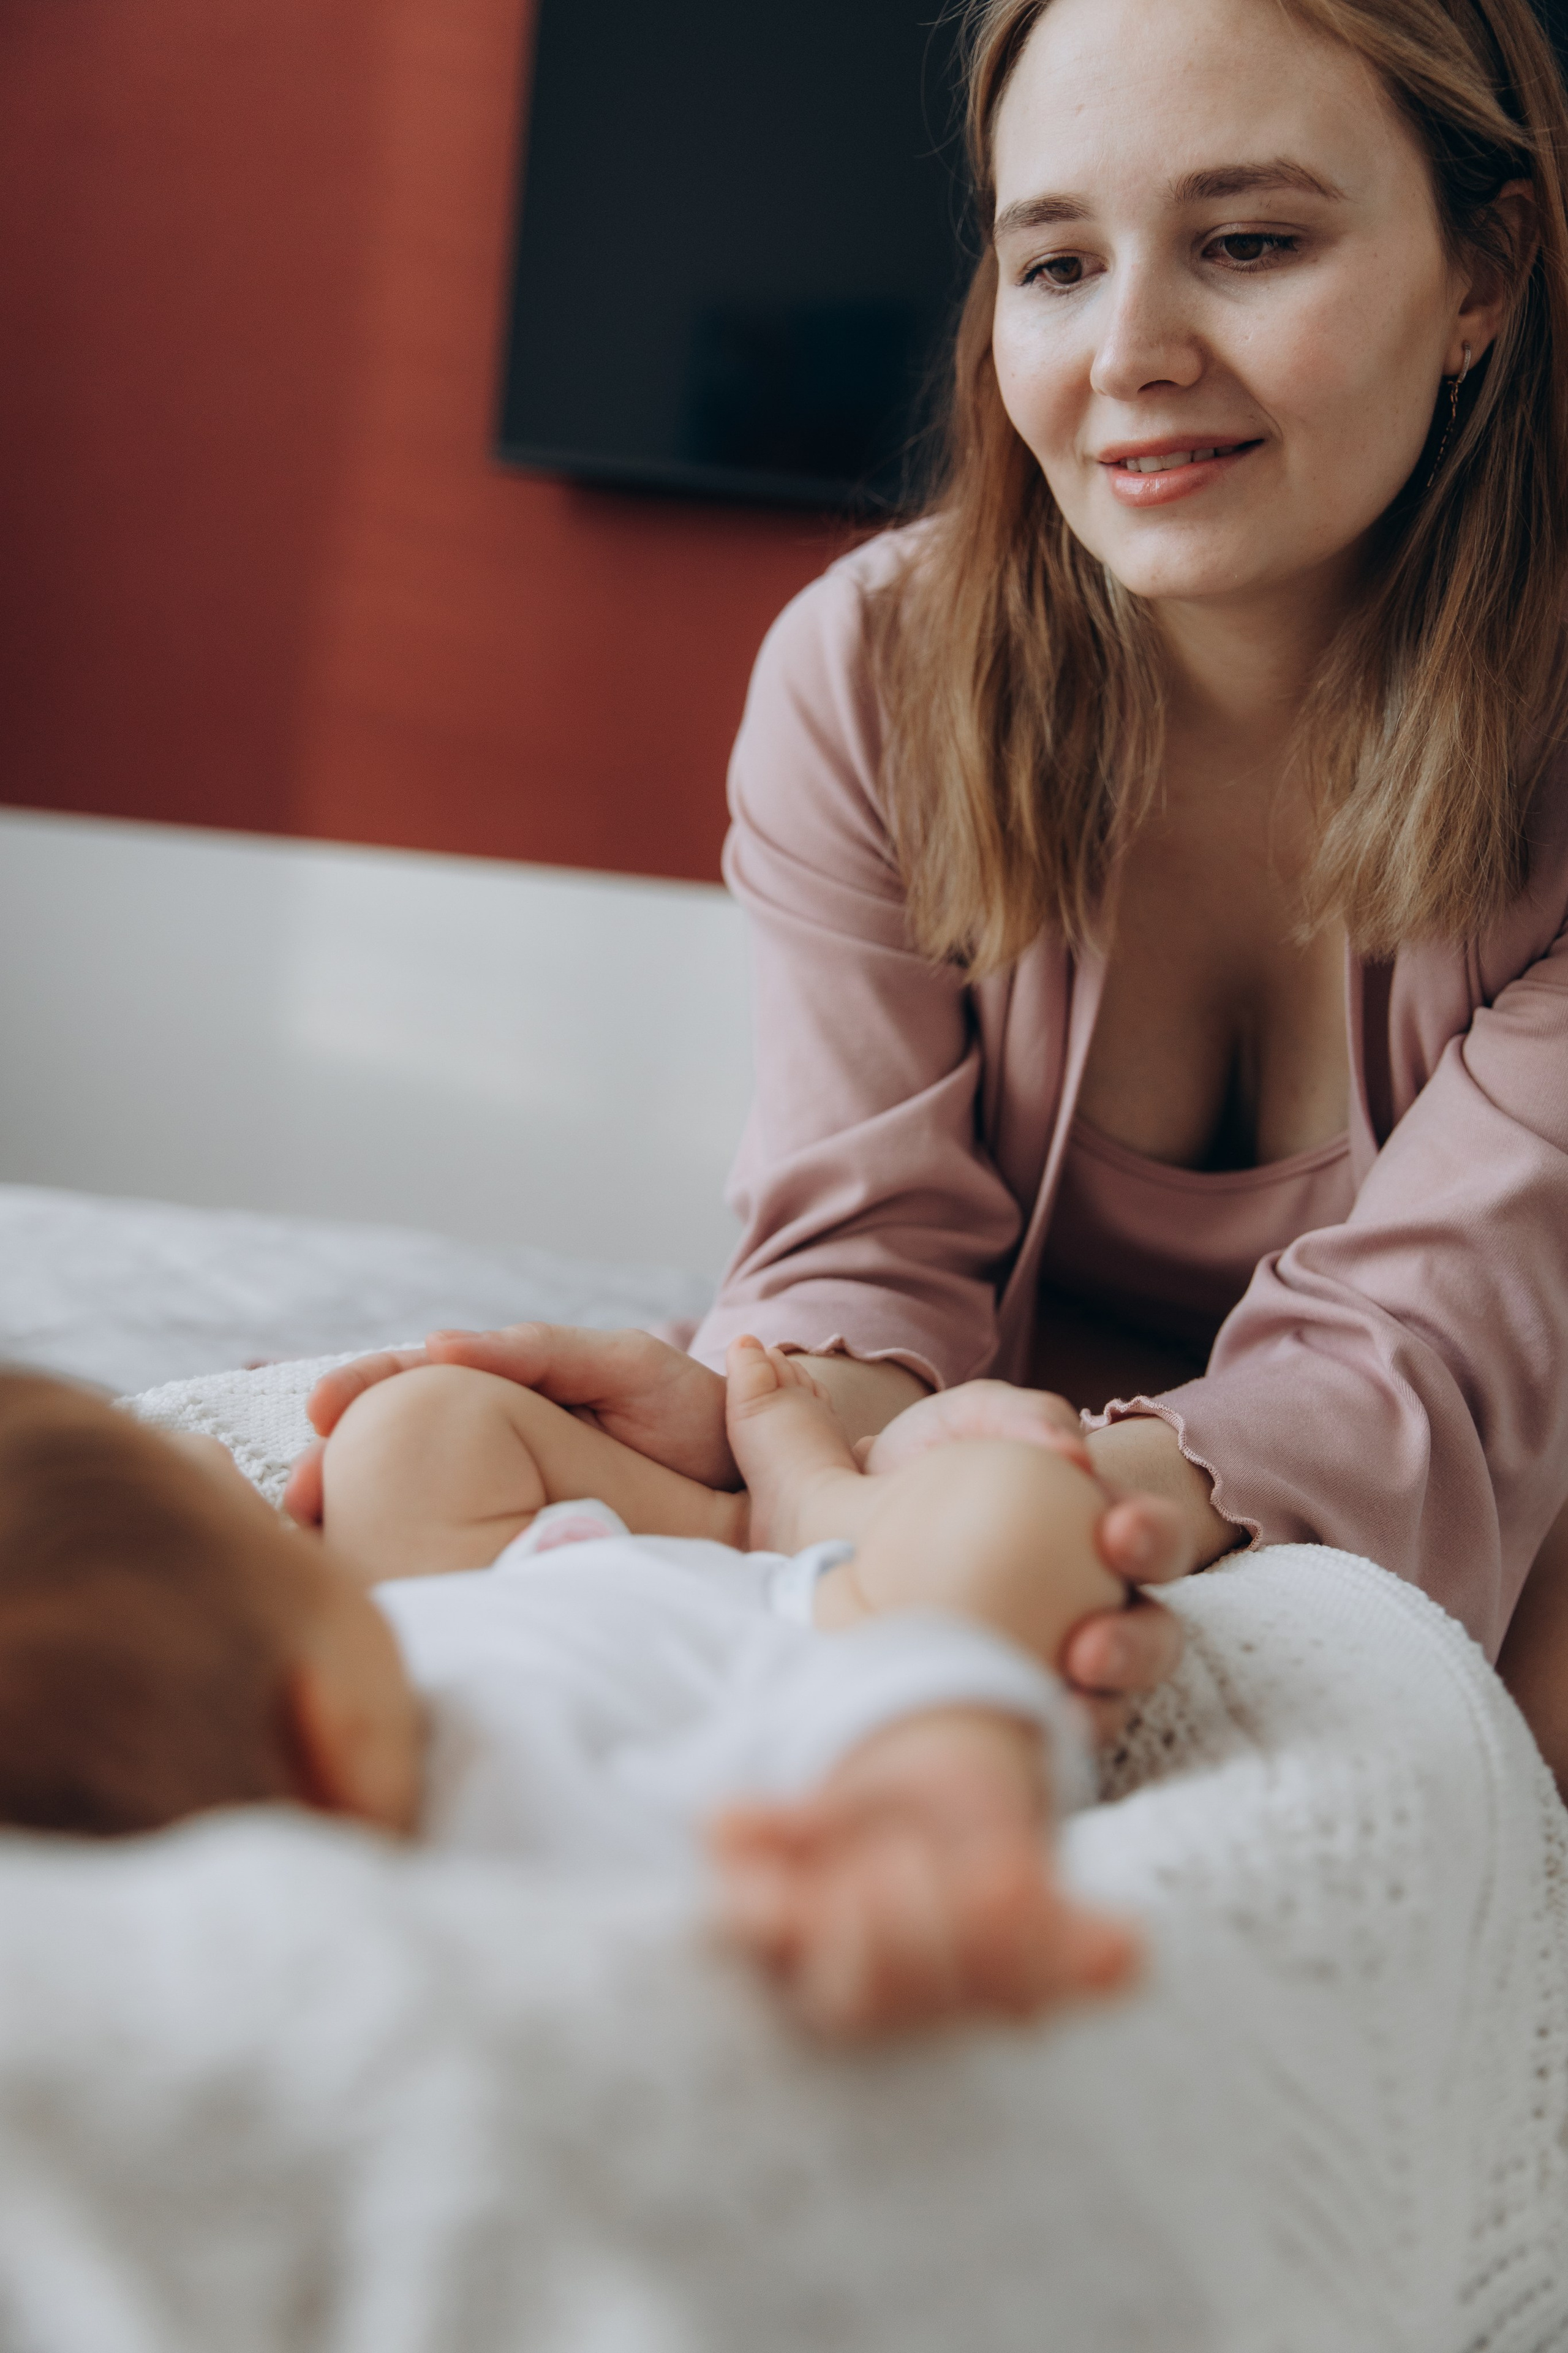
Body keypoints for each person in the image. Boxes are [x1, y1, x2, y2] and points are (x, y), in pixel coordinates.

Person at [293, 0, 1568, 1771]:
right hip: (970, 1484)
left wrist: (1025, 1510)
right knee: (413, 1442)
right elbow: (866, 1242)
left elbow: (1422, 1378)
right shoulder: (874, 676)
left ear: (1487, 271)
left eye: (1250, 242)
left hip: (1453, 1506)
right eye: (1055, 262)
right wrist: (791, 1418)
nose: (1128, 351)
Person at [0, 1359, 1144, 2038]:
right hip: (804, 1623)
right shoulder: (564, 1834)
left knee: (410, 1429)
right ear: (322, 1741)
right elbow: (833, 1704)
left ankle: (733, 1515)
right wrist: (922, 1784)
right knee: (1014, 1512)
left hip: (515, 1590)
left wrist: (278, 1570)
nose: (287, 1510)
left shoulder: (340, 1720)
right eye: (280, 1542)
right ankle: (823, 1531)